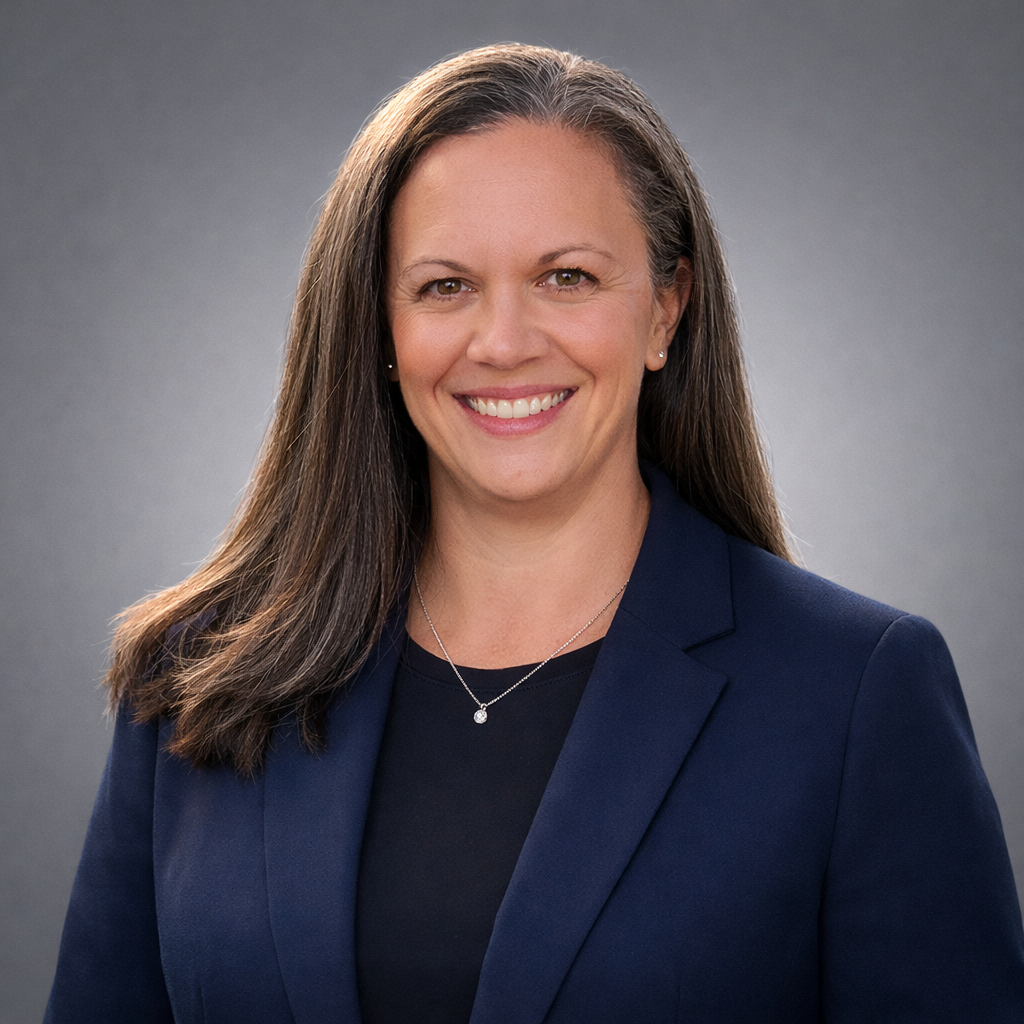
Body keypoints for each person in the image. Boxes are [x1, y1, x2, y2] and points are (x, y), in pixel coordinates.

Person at [46, 43, 1023, 1023]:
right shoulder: (192, 687)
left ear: (666, 310)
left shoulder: (855, 693)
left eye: (565, 276)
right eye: (444, 286)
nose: (504, 340)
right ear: (378, 332)